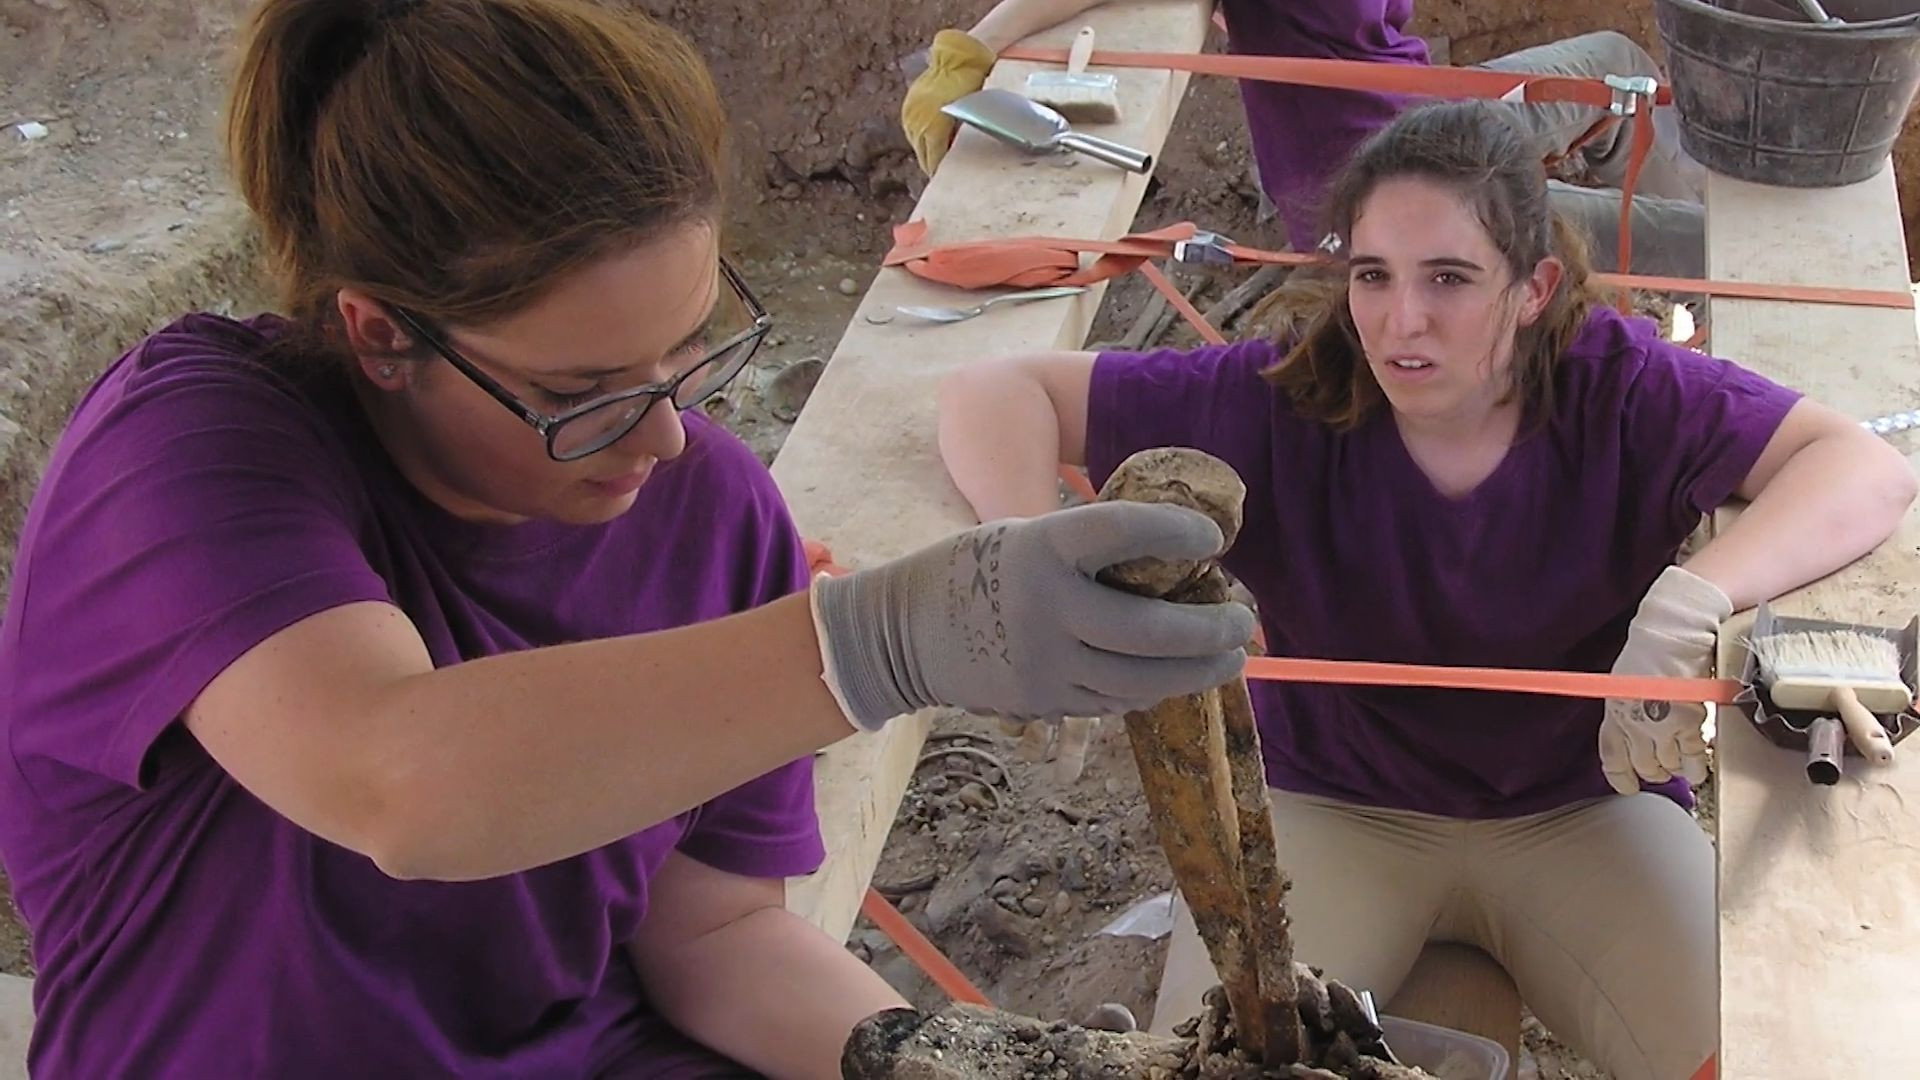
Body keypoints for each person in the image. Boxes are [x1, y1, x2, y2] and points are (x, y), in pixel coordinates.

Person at [0, 1, 1258, 1076]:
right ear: (382, 335)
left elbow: (711, 939)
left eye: (687, 350)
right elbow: (399, 780)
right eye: (579, 393)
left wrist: (930, 1054)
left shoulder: (706, 509)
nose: (660, 440)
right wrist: (887, 640)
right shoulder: (195, 446)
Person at [937, 99, 1916, 1080]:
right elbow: (994, 393)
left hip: (1583, 809)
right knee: (1219, 1067)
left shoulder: (1620, 388)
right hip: (1335, 810)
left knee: (1770, 1058)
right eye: (1374, 276)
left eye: (1449, 279)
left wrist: (1695, 596)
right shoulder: (1283, 396)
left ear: (1533, 288)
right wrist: (1030, 569)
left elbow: (1862, 468)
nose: (1402, 323)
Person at [902, 0, 1708, 277]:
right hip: (1377, 182)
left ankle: (1663, 292)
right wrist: (970, 50)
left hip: (1433, 111)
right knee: (1714, 248)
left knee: (1615, 64)